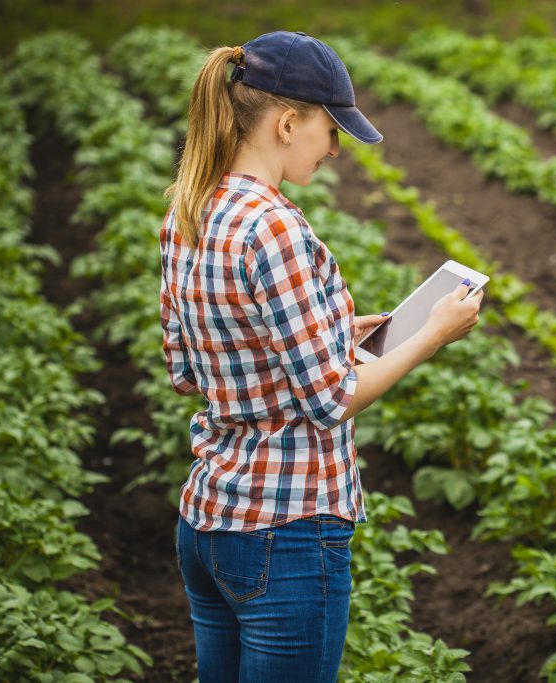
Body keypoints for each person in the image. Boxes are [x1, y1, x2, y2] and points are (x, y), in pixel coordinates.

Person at [159, 31, 483, 683]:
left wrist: (327, 329)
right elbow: (332, 399)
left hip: (209, 521)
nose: (335, 150)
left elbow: (187, 370)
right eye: (331, 130)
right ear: (286, 123)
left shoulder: (190, 209)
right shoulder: (274, 226)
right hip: (286, 529)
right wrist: (431, 333)